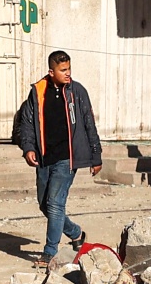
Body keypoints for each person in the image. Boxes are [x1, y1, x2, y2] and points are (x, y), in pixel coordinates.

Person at [12, 50, 102, 267]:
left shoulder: (77, 91)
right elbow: (26, 123)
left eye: (69, 68)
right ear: (51, 72)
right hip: (44, 158)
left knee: (55, 204)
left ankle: (49, 252)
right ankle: (76, 234)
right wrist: (28, 148)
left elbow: (89, 122)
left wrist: (95, 155)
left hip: (67, 159)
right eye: (63, 70)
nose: (68, 73)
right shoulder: (38, 92)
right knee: (45, 205)